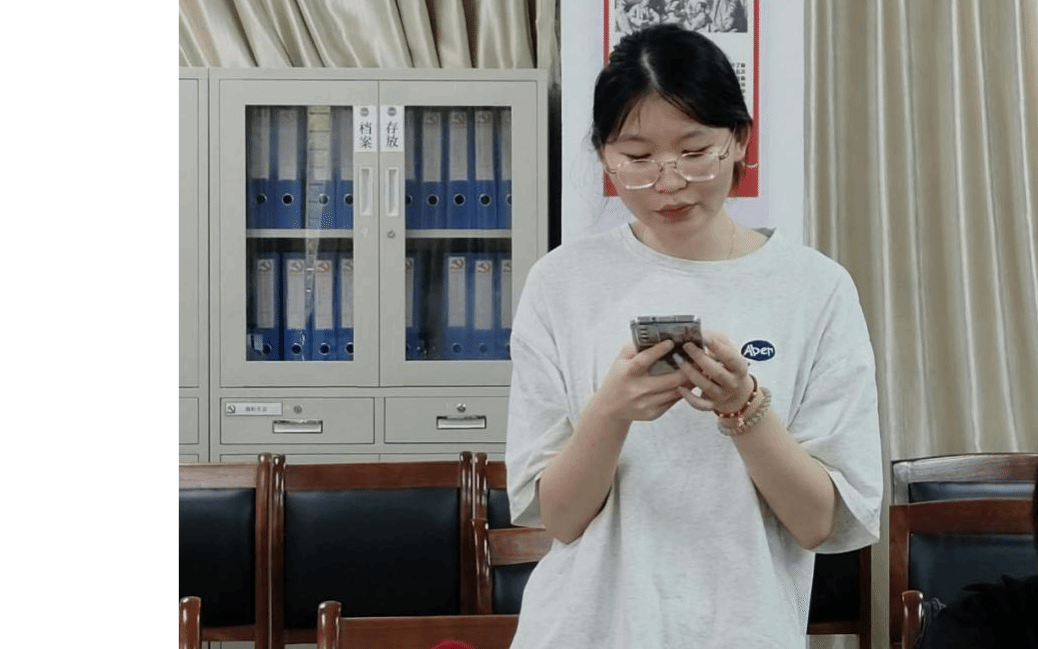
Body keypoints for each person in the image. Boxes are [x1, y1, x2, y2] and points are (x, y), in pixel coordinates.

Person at [504, 23, 883, 648]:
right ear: (603, 155)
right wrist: (610, 411)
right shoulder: (561, 283)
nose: (669, 180)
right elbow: (560, 520)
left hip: (744, 629)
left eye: (694, 150)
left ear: (739, 141)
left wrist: (744, 408)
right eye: (637, 158)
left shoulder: (815, 289)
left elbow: (818, 523)